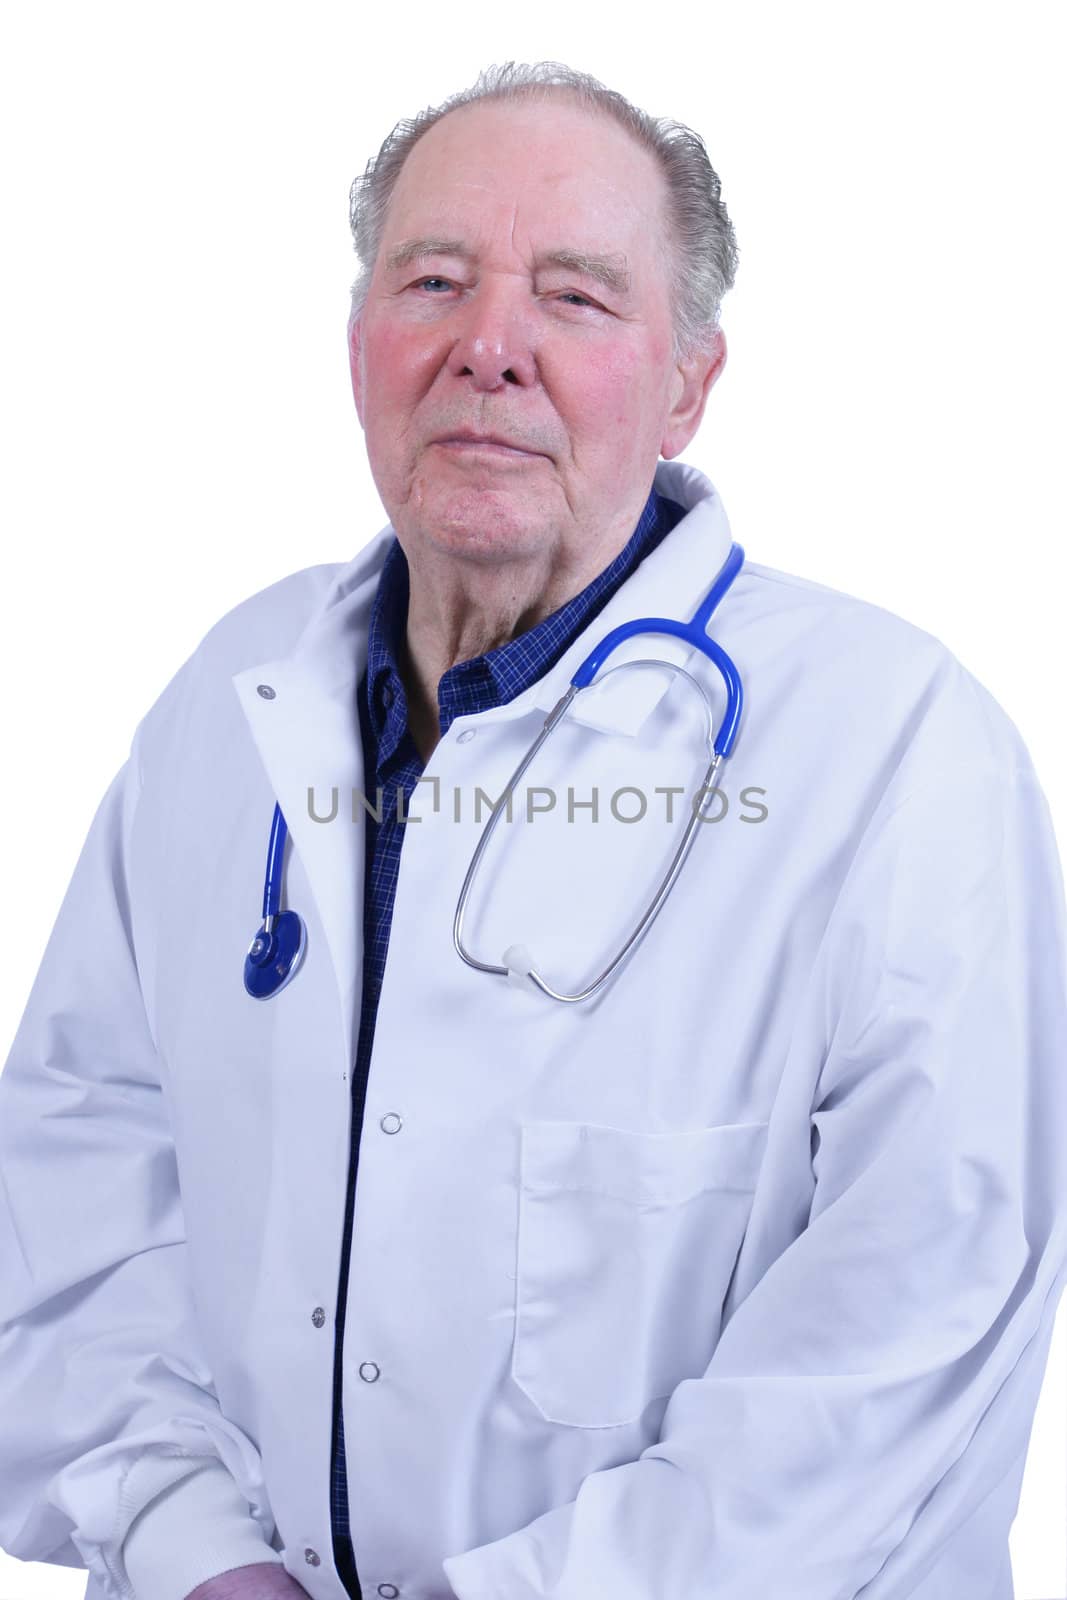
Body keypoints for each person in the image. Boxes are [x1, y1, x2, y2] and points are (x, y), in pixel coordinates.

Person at [1, 56, 1065, 1600]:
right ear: (359, 343)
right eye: (433, 280)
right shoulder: (228, 710)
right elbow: (74, 1173)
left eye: (574, 297)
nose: (486, 347)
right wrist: (188, 1550)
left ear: (689, 380)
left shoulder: (897, 748)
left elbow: (907, 1340)